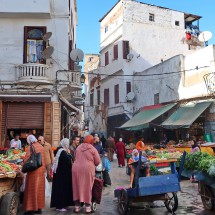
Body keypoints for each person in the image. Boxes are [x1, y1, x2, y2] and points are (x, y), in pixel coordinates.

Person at [72, 135, 100, 213]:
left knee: (76, 187)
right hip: (88, 170)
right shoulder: (92, 149)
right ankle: (88, 207)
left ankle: (77, 207)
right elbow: (97, 162)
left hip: (76, 169)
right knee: (88, 187)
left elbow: (74, 157)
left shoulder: (78, 147)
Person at [22, 135, 45, 215]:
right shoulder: (41, 147)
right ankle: (38, 209)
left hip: (33, 172)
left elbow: (26, 159)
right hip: (41, 171)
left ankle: (31, 209)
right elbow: (43, 160)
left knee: (31, 190)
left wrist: (22, 169)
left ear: (29, 140)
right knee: (39, 190)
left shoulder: (30, 147)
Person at [50, 138, 74, 211]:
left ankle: (61, 205)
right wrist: (69, 154)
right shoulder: (63, 152)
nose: (68, 145)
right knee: (61, 190)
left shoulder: (59, 150)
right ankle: (60, 206)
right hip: (62, 175)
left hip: (59, 174)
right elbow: (68, 160)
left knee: (60, 189)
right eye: (67, 144)